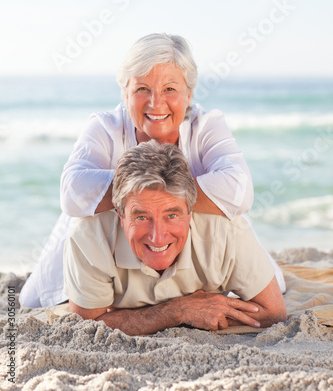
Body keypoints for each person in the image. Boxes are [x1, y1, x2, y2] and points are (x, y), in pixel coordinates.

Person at [20, 33, 285, 308]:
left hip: (181, 240)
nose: (156, 103)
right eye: (142, 89)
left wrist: (166, 193)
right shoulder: (105, 127)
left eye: (170, 89)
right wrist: (142, 191)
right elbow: (72, 193)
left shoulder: (205, 126)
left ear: (189, 94)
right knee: (38, 299)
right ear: (125, 94)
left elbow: (240, 191)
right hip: (119, 237)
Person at [64, 141, 287, 335]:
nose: (157, 236)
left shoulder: (227, 231)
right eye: (141, 217)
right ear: (120, 213)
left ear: (190, 210)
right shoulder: (89, 239)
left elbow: (272, 313)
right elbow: (88, 325)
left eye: (172, 215)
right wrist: (178, 311)